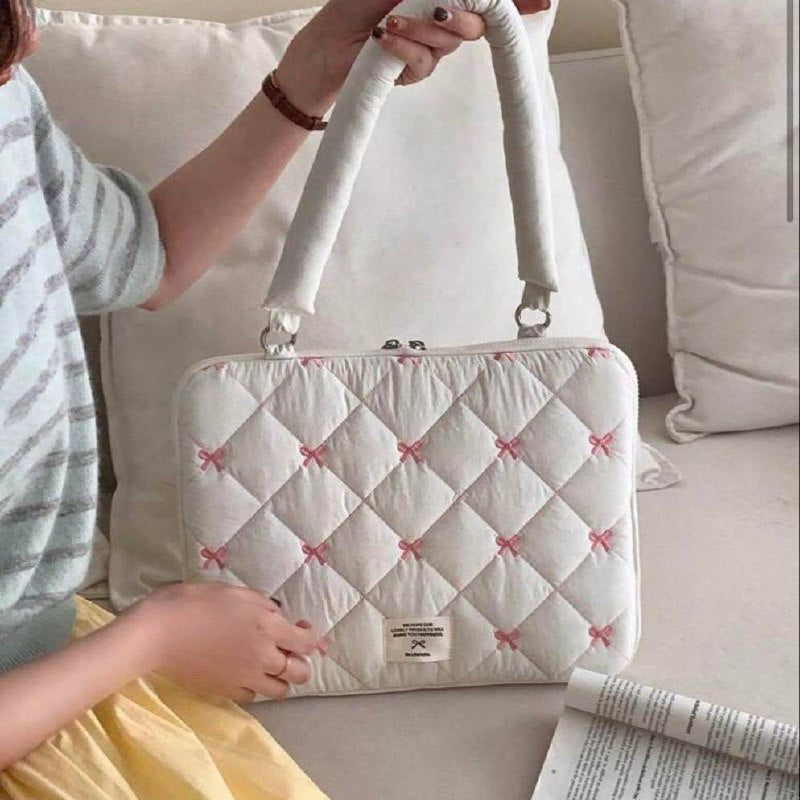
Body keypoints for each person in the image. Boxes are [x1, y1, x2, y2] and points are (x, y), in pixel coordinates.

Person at [0, 0, 549, 796]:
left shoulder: (7, 98)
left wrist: (316, 68)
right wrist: (152, 639)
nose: (30, 39)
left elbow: (147, 254)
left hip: (55, 668)